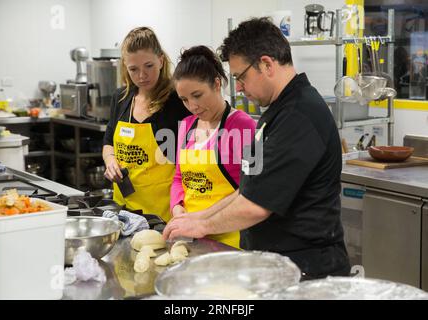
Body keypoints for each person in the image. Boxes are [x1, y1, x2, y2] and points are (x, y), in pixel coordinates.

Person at [163, 17, 351, 279]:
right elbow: (247, 190)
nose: (238, 87)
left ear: (266, 64)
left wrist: (202, 224)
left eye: (241, 77)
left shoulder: (299, 116)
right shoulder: (275, 113)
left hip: (305, 269)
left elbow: (256, 205)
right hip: (277, 262)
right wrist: (197, 218)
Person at [169, 46, 256, 249]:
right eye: (184, 99)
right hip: (191, 238)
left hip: (232, 241)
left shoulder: (244, 126)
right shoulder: (186, 126)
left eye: (197, 95)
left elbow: (252, 190)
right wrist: (177, 208)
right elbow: (179, 178)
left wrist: (204, 221)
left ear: (217, 84)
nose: (192, 106)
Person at [102, 27, 191, 223]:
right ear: (125, 66)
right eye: (133, 69)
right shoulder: (121, 98)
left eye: (149, 65)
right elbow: (108, 141)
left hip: (164, 214)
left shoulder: (177, 101)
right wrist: (110, 161)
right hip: (124, 210)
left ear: (160, 60)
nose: (142, 75)